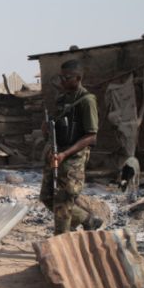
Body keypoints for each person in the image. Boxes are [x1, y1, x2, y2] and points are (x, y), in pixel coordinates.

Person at [40, 59, 103, 235]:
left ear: (78, 77)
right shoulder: (62, 99)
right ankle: (87, 219)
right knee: (46, 197)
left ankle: (61, 244)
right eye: (61, 77)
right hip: (56, 153)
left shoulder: (87, 100)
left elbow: (91, 136)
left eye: (67, 78)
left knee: (63, 202)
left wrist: (65, 154)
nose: (63, 81)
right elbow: (57, 127)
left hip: (73, 158)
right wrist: (46, 128)